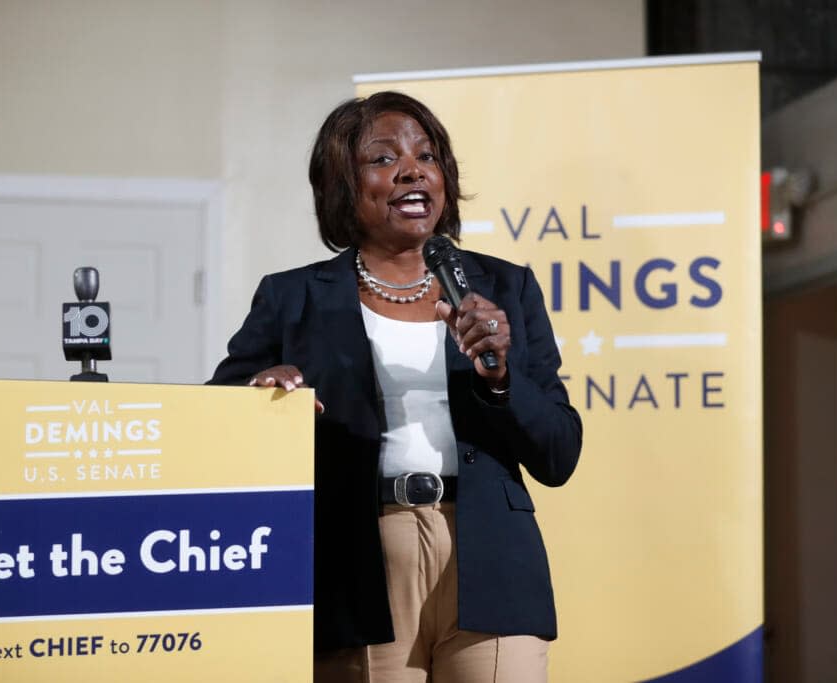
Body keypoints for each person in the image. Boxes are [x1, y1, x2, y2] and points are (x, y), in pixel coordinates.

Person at [208, 91, 582, 682]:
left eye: (426, 156)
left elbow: (559, 453)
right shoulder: (292, 299)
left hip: (490, 559)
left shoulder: (505, 289)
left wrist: (502, 377)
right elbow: (217, 424)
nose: (412, 169)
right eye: (383, 159)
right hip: (356, 563)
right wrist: (262, 398)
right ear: (341, 188)